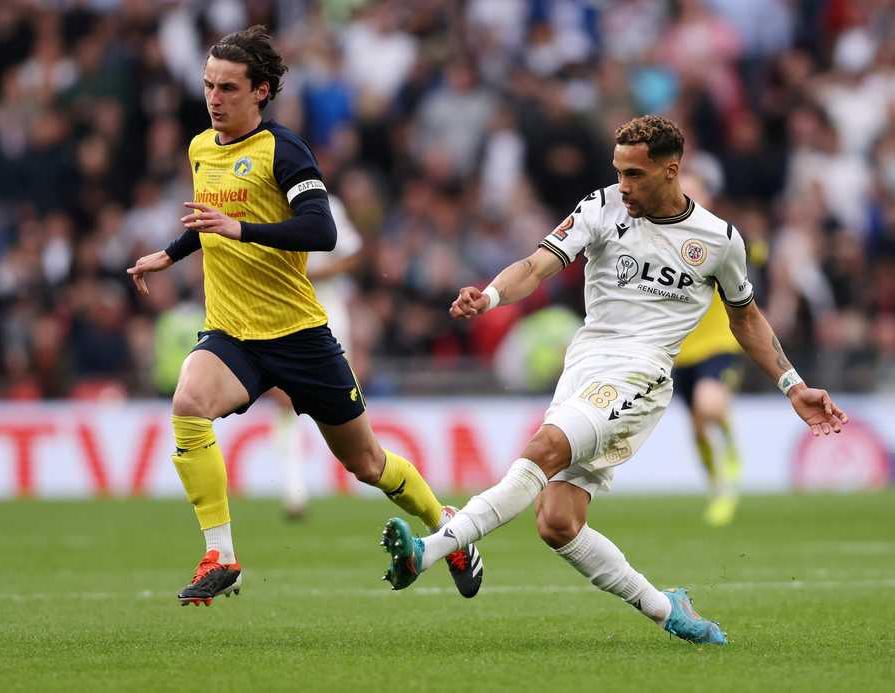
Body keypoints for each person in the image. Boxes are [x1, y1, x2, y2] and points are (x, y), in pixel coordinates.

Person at [377, 115, 847, 645]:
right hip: (585, 364)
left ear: (671, 171)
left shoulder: (719, 240)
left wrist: (792, 384)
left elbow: (746, 317)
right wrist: (488, 296)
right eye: (617, 172)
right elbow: (536, 266)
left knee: (545, 446)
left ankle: (432, 548)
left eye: (634, 175)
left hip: (642, 374)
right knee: (557, 522)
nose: (622, 185)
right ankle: (665, 607)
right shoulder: (601, 208)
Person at [126, 26, 481, 606]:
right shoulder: (200, 148)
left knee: (367, 464)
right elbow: (211, 221)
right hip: (233, 332)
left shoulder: (282, 150)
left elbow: (323, 229)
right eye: (209, 86)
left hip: (298, 336)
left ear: (261, 91)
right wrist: (169, 254)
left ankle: (454, 529)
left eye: (229, 88)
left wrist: (238, 230)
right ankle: (222, 554)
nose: (214, 98)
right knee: (188, 404)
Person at [272, 194, 363, 521]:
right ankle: (293, 490)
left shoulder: (328, 204)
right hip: (283, 310)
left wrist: (314, 274)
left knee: (343, 398)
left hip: (326, 308)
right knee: (285, 402)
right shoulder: (263, 202)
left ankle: (359, 472)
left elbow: (353, 254)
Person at [673, 172, 744, 527]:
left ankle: (728, 440)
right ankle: (718, 488)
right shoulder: (660, 241)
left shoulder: (721, 238)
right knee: (697, 427)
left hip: (718, 344)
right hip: (679, 352)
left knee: (709, 404)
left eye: (694, 192)